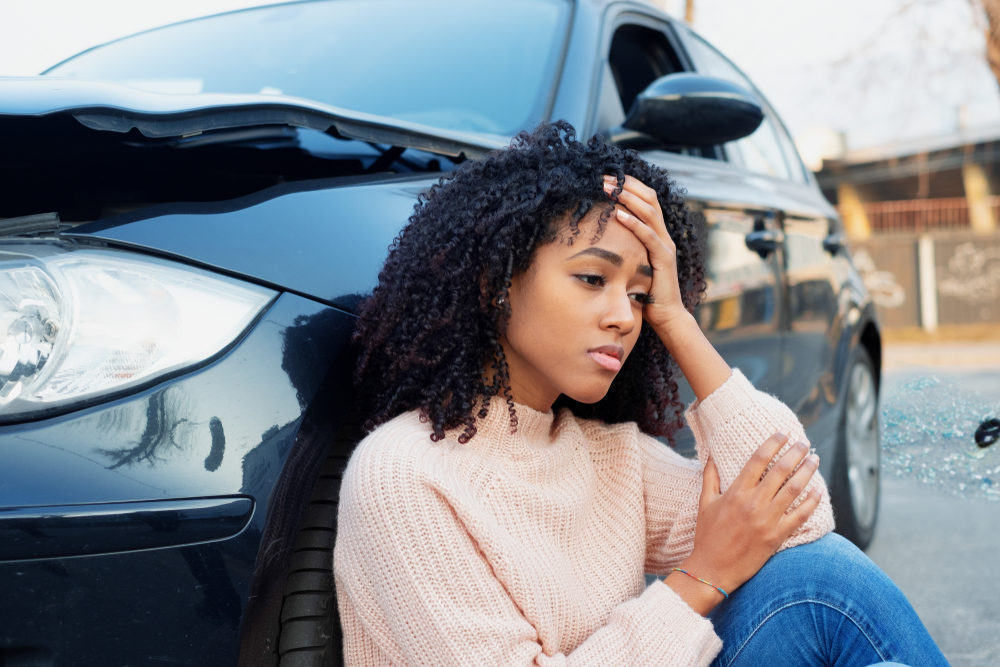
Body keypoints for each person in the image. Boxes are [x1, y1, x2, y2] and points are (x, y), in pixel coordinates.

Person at [333, 121, 946, 666]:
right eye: (593, 278)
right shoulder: (404, 476)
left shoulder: (607, 455)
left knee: (817, 578)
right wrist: (704, 574)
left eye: (638, 294)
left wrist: (678, 319)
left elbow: (801, 517)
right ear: (497, 281)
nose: (625, 317)